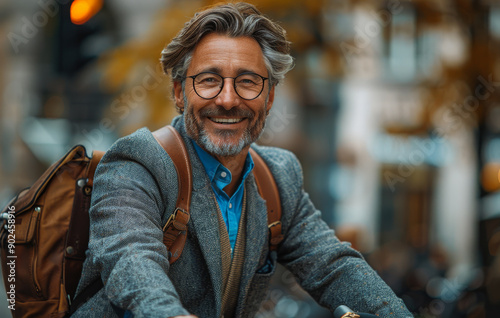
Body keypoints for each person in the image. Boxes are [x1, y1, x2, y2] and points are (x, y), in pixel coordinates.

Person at [73, 2, 413, 317]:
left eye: (248, 82)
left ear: (270, 96)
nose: (227, 99)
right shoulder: (137, 162)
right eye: (209, 80)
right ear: (179, 91)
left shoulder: (279, 176)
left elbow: (333, 266)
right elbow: (131, 260)